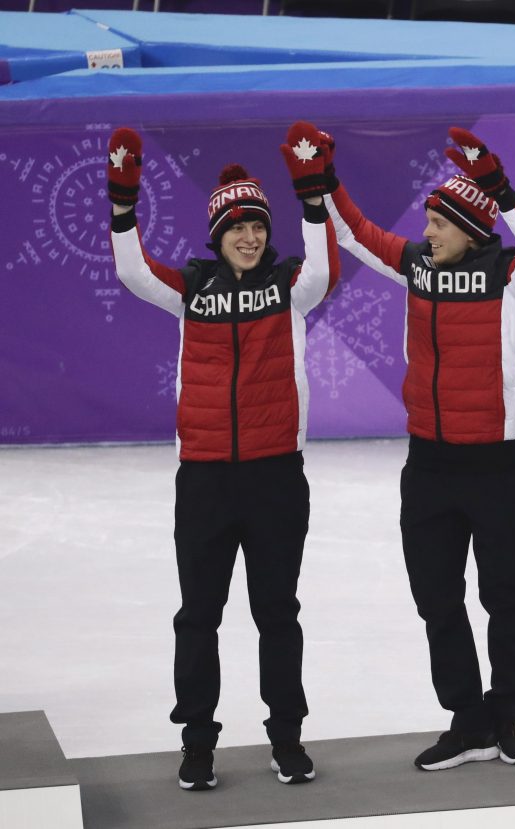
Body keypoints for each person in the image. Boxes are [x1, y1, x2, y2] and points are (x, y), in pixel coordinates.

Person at [107, 122, 340, 789]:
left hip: (275, 479)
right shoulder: (191, 291)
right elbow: (129, 269)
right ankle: (198, 742)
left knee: (278, 612)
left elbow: (324, 267)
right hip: (205, 480)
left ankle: (287, 736)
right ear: (217, 235)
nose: (249, 237)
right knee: (198, 616)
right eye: (237, 227)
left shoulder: (290, 287)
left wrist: (311, 191)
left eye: (258, 226)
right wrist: (123, 200)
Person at [319, 124, 515, 770]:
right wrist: (324, 179)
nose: (428, 233)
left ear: (471, 228)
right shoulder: (417, 268)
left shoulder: (512, 276)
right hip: (429, 462)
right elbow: (355, 232)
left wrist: (500, 187)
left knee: (503, 594)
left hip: (499, 464)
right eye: (428, 222)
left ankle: (507, 715)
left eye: (440, 224)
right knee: (437, 596)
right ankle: (468, 717)